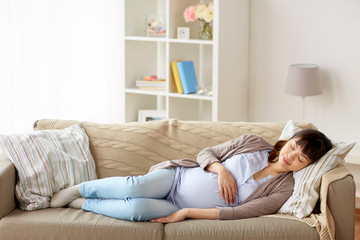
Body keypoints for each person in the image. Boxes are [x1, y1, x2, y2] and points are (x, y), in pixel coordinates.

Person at [50, 129, 333, 223]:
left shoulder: (285, 189)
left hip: (178, 205)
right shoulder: (253, 142)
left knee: (137, 209)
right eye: (294, 146)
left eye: (301, 159)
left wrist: (185, 212)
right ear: (290, 139)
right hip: (178, 178)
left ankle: (83, 204)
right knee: (135, 186)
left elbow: (240, 212)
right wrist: (221, 169)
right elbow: (205, 153)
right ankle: (78, 189)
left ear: (305, 166)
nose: (290, 156)